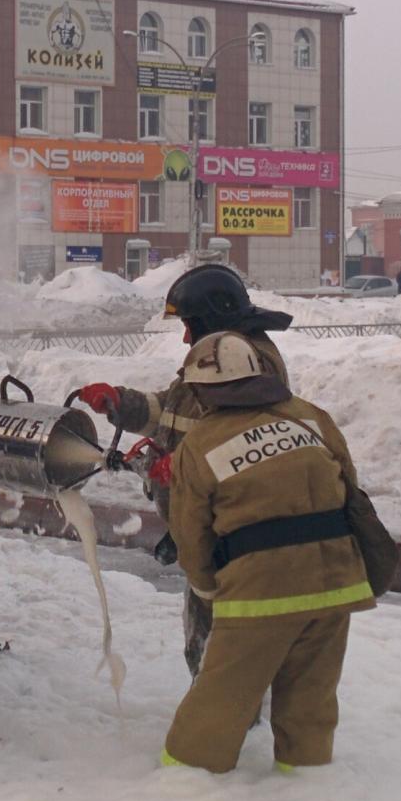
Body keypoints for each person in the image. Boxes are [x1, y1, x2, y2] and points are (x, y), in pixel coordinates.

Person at [157, 330, 376, 774]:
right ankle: (306, 780)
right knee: (311, 696)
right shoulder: (311, 417)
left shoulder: (199, 444)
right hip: (337, 581)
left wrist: (205, 585)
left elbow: (190, 531)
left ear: (202, 390)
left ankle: (184, 787)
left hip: (260, 589)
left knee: (221, 698)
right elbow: (349, 486)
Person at [74, 264, 294, 677]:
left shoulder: (245, 363)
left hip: (231, 535)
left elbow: (248, 443)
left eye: (190, 325)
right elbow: (174, 412)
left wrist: (180, 466)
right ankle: (225, 724)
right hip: (206, 532)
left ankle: (222, 730)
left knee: (221, 656)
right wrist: (120, 403)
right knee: (208, 650)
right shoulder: (219, 359)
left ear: (212, 318)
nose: (185, 337)